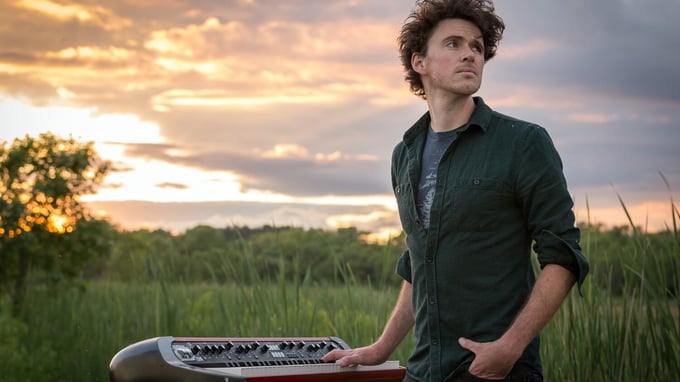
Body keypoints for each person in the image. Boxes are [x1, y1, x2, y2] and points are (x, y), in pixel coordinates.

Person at [322, 0, 589, 381]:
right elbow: (419, 261)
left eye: (477, 47)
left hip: (495, 371)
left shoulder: (523, 142)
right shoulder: (405, 154)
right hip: (423, 370)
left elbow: (562, 255)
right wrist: (382, 348)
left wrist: (510, 348)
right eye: (453, 44)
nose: (469, 54)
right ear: (420, 62)